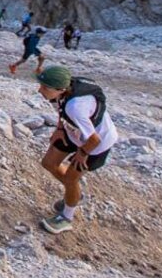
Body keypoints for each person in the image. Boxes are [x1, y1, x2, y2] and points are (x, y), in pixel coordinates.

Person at [35, 65, 117, 234]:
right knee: (49, 163)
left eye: (44, 87)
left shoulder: (76, 107)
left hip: (95, 144)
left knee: (72, 178)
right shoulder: (63, 92)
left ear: (60, 88)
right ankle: (74, 195)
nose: (39, 90)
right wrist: (59, 128)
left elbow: (94, 139)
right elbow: (59, 106)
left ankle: (66, 217)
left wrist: (82, 154)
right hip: (73, 130)